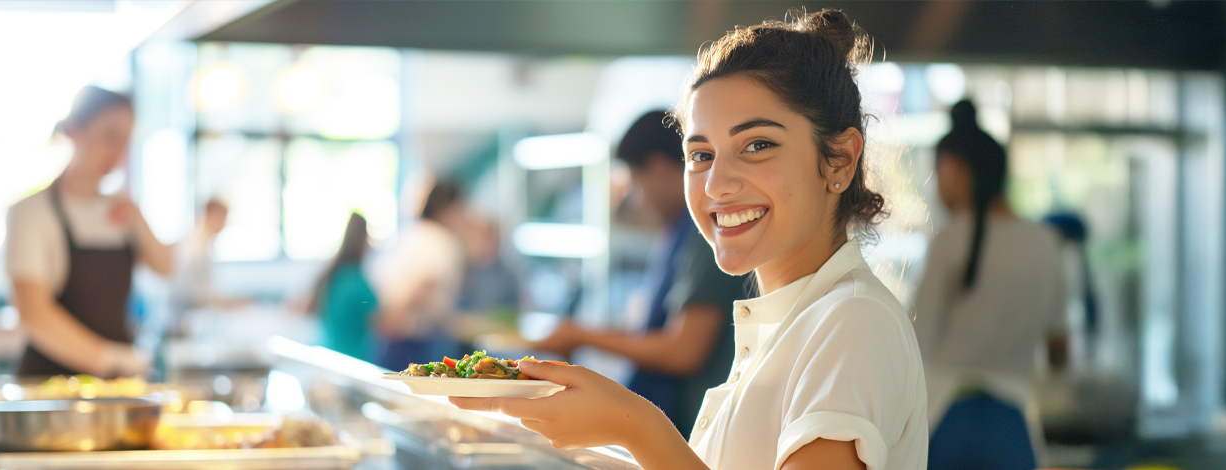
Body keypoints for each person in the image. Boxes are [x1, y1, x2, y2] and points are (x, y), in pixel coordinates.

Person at [452, 10, 928, 470]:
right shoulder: (787, 324)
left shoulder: (851, 321)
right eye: (700, 154)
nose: (717, 183)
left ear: (841, 160)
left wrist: (635, 427)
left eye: (758, 145)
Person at [533, 110, 746, 438]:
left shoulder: (705, 235)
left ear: (660, 167)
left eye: (635, 182)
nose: (634, 199)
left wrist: (580, 336)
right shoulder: (678, 233)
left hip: (696, 427)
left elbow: (682, 350)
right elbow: (656, 330)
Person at [909, 100, 1068, 466]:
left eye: (937, 174)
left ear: (957, 170)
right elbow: (1059, 347)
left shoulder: (950, 239)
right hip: (1013, 428)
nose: (936, 188)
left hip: (945, 422)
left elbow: (914, 343)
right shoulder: (1044, 241)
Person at [5, 85, 174, 378]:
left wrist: (140, 221)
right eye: (110, 136)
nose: (118, 152)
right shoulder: (30, 212)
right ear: (75, 131)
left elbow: (165, 267)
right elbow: (33, 314)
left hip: (115, 387)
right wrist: (111, 358)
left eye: (126, 140)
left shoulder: (121, 211)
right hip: (50, 385)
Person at [369, 180, 468, 370]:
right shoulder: (441, 239)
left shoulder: (411, 232)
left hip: (393, 332)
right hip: (412, 336)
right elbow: (424, 284)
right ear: (446, 208)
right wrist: (397, 316)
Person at [306, 213, 380, 362]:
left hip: (326, 359)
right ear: (363, 241)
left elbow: (306, 308)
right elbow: (386, 324)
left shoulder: (331, 276)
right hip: (352, 363)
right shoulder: (356, 282)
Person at [171, 199, 251, 315]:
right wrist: (239, 303)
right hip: (187, 315)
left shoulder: (200, 244)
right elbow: (204, 297)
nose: (224, 225)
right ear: (210, 215)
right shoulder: (196, 249)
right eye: (222, 218)